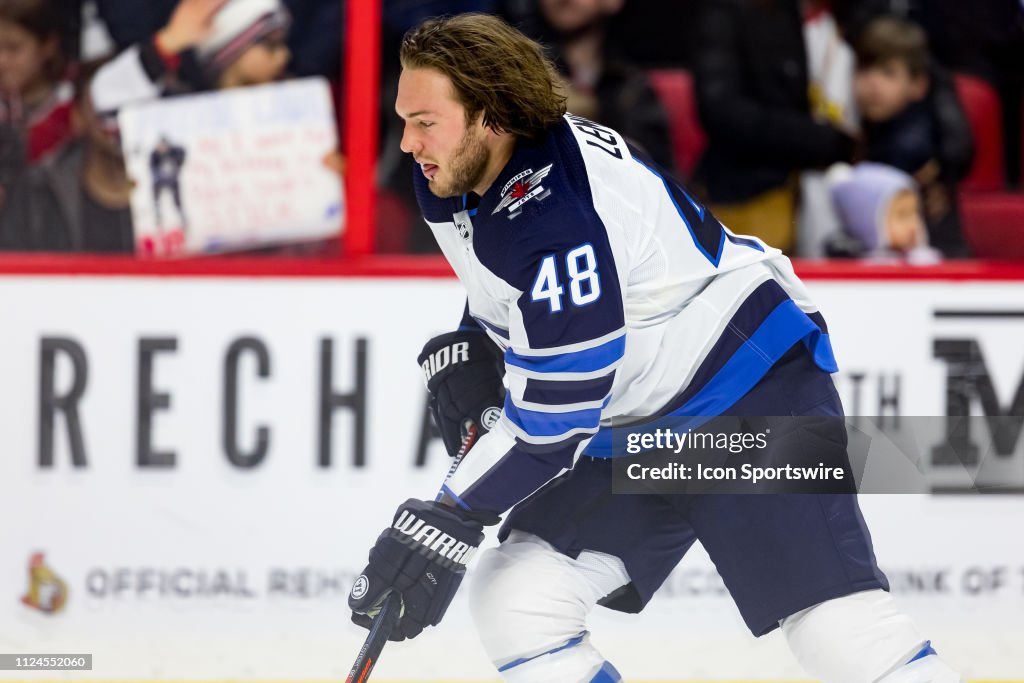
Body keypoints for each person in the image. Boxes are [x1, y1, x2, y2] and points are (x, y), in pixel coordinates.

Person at [347, 13, 963, 683]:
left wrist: (449, 516)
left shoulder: (557, 216)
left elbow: (557, 417)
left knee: (842, 634)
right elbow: (507, 281)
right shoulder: (458, 171)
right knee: (520, 596)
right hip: (642, 418)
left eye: (425, 121)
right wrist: (476, 340)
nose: (406, 141)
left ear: (491, 116)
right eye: (404, 118)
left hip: (745, 396)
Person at [852, 15, 972, 257]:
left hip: (934, 265)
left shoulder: (910, 145)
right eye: (865, 69)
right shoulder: (867, 133)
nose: (873, 83)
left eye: (888, 72)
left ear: (918, 84)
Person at [0, 58, 134, 252]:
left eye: (132, 103)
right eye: (107, 106)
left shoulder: (185, 185)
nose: (119, 119)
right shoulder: (36, 191)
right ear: (78, 116)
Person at [826, 162, 941, 263]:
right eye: (902, 215)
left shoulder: (924, 260)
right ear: (867, 222)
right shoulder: (857, 270)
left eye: (915, 212)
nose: (913, 223)